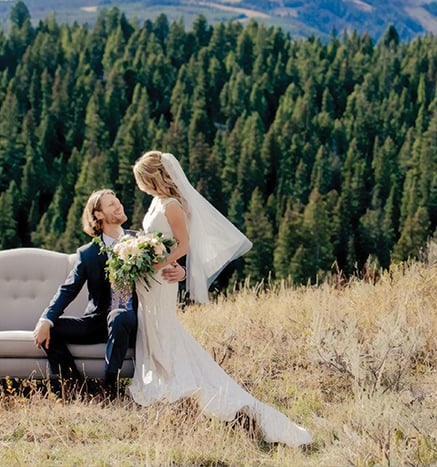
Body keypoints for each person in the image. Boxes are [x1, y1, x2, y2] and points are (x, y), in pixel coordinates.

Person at [129, 150, 313, 447]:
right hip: (150, 279)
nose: (140, 184)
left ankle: (176, 380)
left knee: (165, 327)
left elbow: (183, 245)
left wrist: (161, 265)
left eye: (142, 179)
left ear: (153, 177)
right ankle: (162, 377)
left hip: (161, 280)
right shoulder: (156, 202)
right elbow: (155, 241)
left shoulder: (173, 205)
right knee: (152, 329)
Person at [32, 188, 185, 395]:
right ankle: (75, 384)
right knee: (52, 328)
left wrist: (181, 272)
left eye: (118, 201)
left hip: (132, 321)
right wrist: (45, 320)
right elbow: (68, 289)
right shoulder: (88, 254)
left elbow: (169, 263)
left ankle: (109, 385)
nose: (119, 205)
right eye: (111, 204)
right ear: (98, 215)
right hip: (96, 322)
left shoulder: (142, 240)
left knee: (119, 315)